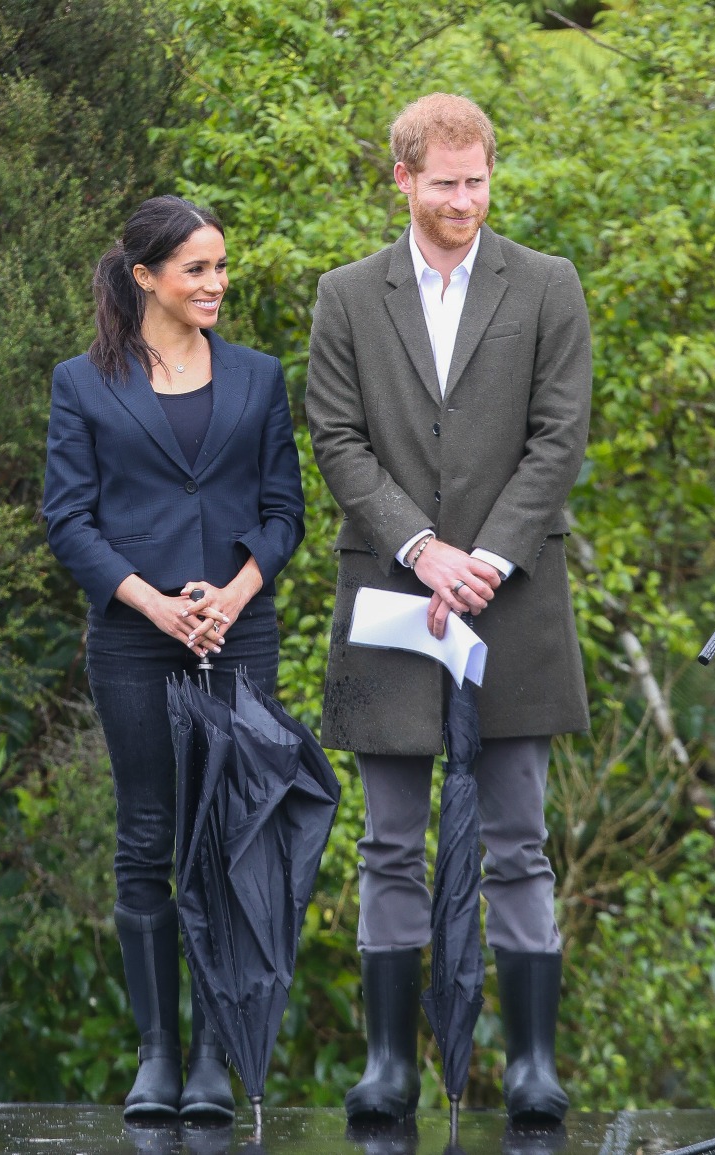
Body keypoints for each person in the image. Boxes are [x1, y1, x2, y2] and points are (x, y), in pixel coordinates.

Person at [305, 93, 591, 1126]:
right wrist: (422, 551)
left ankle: (530, 1068)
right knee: (388, 840)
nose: (464, 201)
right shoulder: (344, 295)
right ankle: (387, 1067)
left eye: (476, 181)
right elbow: (335, 438)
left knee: (516, 839)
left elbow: (557, 439)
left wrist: (487, 558)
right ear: (402, 181)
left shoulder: (548, 286)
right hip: (390, 593)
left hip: (512, 603)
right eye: (443, 184)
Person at [43, 195, 305, 1121]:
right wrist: (156, 602)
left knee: (228, 846)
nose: (217, 284)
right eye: (198, 269)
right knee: (149, 839)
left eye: (222, 267)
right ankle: (156, 1055)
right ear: (145, 276)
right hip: (130, 641)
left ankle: (210, 1062)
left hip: (240, 639)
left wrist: (231, 597)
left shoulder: (259, 377)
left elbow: (284, 513)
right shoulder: (82, 382)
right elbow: (66, 518)